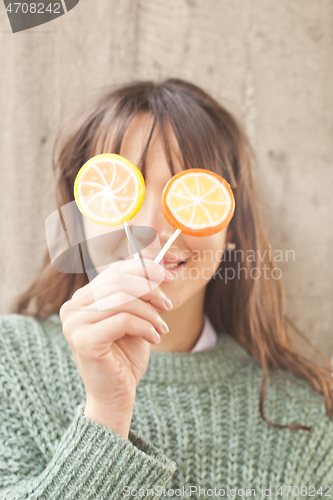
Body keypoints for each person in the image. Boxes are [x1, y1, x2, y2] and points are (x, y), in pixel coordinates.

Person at [1, 79, 332, 499]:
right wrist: (107, 413)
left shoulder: (303, 416)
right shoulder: (9, 365)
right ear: (78, 217)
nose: (154, 227)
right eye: (123, 190)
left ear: (231, 227)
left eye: (191, 192)